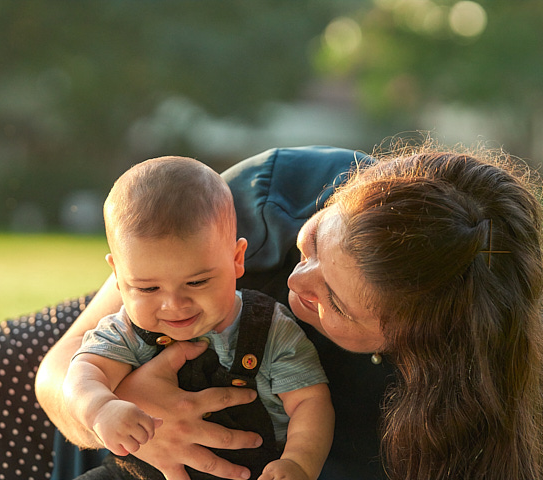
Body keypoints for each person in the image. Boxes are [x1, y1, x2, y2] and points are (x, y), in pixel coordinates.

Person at [36, 142, 543, 480]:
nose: (296, 282)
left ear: (415, 346)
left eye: (336, 303)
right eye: (318, 239)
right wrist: (115, 408)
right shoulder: (277, 194)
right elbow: (59, 370)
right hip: (77, 426)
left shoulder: (465, 426)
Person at [62, 156, 334, 480]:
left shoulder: (269, 329)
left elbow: (309, 401)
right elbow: (84, 373)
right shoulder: (124, 332)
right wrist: (99, 409)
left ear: (236, 259)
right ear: (118, 277)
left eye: (197, 282)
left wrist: (299, 463)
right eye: (148, 288)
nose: (174, 304)